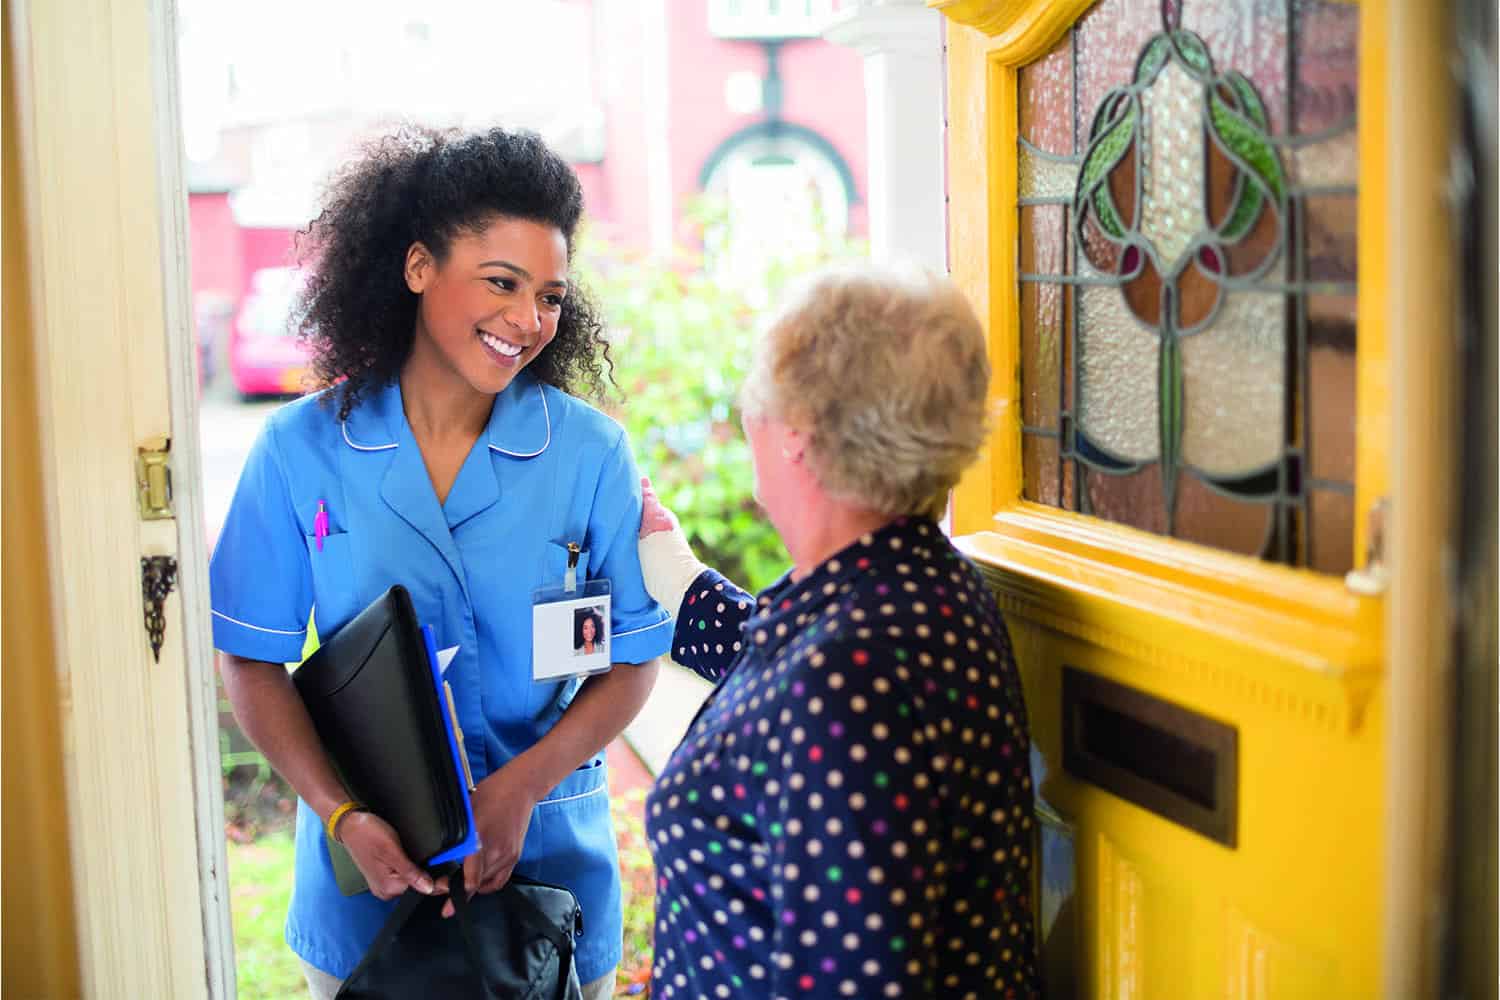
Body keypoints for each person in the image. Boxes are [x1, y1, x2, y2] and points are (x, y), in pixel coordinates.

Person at [209, 126, 672, 1000]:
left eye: (549, 296)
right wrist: (343, 818)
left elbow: (634, 660)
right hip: (364, 906)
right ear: (419, 267)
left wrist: (521, 789)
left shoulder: (591, 454)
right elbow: (251, 659)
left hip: (551, 894)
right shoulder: (300, 448)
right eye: (501, 283)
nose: (528, 320)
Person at [636, 266, 1041, 998]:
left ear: (796, 431)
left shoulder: (848, 680)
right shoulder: (916, 586)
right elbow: (777, 675)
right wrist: (671, 573)